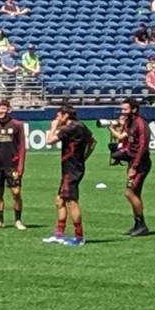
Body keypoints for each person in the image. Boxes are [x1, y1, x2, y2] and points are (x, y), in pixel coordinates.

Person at [46, 103, 94, 247]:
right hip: (73, 167)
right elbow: (92, 142)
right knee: (59, 201)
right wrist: (83, 158)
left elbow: (49, 141)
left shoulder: (70, 128)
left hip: (71, 170)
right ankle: (59, 234)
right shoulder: (81, 126)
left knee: (71, 202)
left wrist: (53, 126)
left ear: (66, 115)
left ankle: (79, 237)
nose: (56, 117)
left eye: (58, 115)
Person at [0, 99, 27, 230]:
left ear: (9, 110)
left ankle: (18, 220)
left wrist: (20, 166)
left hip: (12, 165)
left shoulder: (17, 125)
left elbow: (22, 147)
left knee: (16, 192)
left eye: (3, 108)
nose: (1, 111)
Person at [110, 95, 151, 237]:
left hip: (141, 163)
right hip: (132, 161)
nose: (122, 111)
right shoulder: (129, 122)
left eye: (125, 109)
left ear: (134, 109)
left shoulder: (140, 124)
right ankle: (137, 225)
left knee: (129, 192)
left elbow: (142, 146)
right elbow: (123, 138)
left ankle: (142, 225)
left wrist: (134, 166)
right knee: (135, 193)